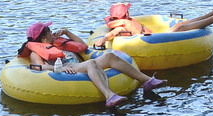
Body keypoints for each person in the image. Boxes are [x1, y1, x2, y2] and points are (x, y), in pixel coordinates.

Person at [19, 22, 163, 109]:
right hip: (68, 69)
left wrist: (67, 32)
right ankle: (109, 96)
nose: (52, 31)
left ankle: (147, 81)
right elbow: (40, 67)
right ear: (44, 37)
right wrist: (61, 68)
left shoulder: (57, 43)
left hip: (79, 65)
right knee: (92, 63)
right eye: (49, 31)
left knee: (110, 57)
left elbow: (82, 46)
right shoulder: (35, 52)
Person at [93, 0, 213, 48]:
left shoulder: (125, 21)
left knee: (182, 24)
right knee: (179, 26)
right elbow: (112, 33)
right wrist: (102, 39)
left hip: (155, 35)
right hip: (154, 40)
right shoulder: (121, 26)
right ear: (125, 14)